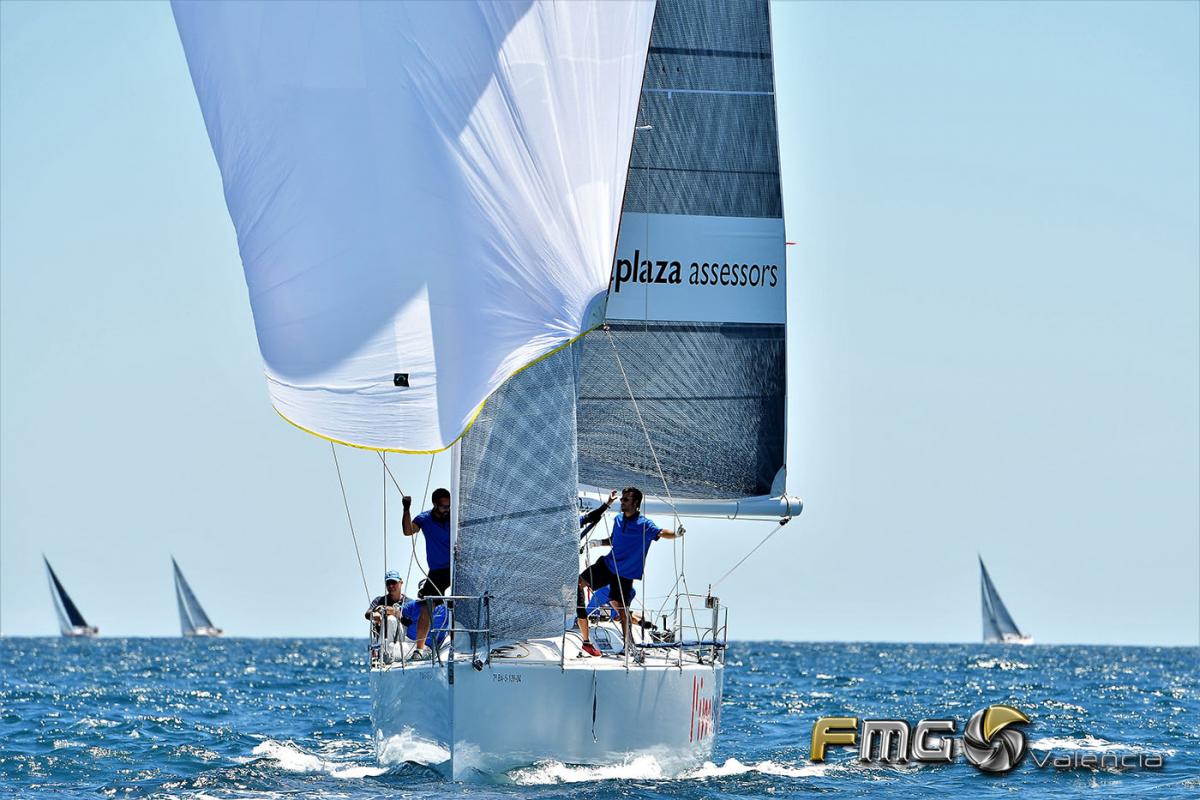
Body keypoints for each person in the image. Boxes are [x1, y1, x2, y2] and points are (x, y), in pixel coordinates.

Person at [576, 486, 682, 657]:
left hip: (625, 573)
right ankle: (584, 634)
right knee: (579, 583)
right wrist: (598, 543)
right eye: (622, 498)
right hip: (608, 564)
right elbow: (613, 540)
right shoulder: (618, 519)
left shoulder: (645, 525)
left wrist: (676, 533)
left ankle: (628, 646)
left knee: (622, 611)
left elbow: (662, 533)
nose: (622, 502)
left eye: (626, 499)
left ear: (636, 503)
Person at [403, 488, 452, 660]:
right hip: (438, 570)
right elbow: (408, 530)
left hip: (457, 566)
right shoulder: (425, 519)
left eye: (449, 506)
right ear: (435, 504)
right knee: (427, 606)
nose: (447, 509)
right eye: (443, 506)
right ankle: (419, 649)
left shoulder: (455, 517)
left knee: (465, 599)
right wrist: (406, 509)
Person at [365, 571, 407, 645]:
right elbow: (367, 615)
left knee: (391, 619)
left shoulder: (409, 602)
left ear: (401, 582)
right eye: (388, 583)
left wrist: (387, 610)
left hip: (403, 641)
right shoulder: (379, 600)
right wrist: (374, 614)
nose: (391, 586)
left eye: (393, 582)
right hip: (382, 641)